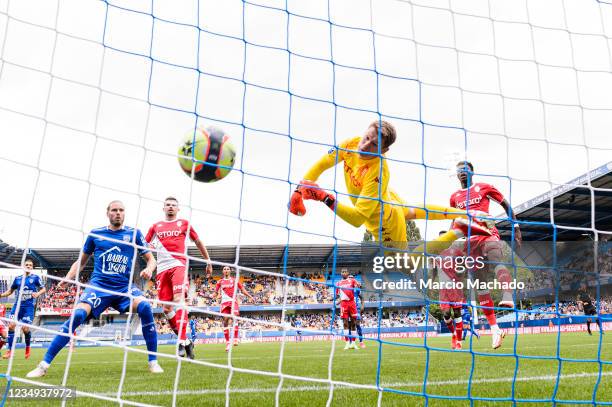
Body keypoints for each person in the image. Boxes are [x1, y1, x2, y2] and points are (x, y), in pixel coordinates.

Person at [289, 120, 491, 250]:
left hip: (383, 218)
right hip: (389, 198)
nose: (365, 145)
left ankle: (458, 231)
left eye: (374, 145)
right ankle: (464, 215)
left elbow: (358, 219)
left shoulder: (378, 171)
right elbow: (321, 164)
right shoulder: (351, 143)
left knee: (405, 263)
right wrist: (299, 190)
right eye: (366, 138)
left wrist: (325, 197)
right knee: (416, 210)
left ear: (383, 150)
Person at [27, 200, 162, 377]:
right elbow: (81, 262)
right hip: (98, 287)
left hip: (123, 288)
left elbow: (151, 259)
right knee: (78, 315)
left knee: (145, 307)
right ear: (108, 213)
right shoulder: (96, 234)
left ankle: (153, 362)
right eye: (114, 210)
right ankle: (43, 365)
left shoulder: (134, 233)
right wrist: (68, 278)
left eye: (121, 210)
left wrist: (149, 268)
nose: (118, 213)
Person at [450, 161, 522, 349]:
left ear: (472, 172)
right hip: (469, 242)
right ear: (457, 175)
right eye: (460, 171)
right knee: (480, 284)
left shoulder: (484, 187)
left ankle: (507, 295)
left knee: (496, 258)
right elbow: (454, 221)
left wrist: (516, 226)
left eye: (466, 170)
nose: (463, 173)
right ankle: (495, 329)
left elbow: (506, 204)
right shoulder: (454, 198)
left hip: (488, 232)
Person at [145, 196, 213, 359]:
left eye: (173, 205)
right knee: (167, 309)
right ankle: (187, 341)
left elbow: (198, 242)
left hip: (179, 265)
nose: (170, 207)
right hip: (161, 270)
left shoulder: (184, 224)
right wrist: (149, 249)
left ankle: (181, 342)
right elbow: (143, 245)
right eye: (167, 205)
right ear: (163, 208)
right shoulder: (155, 226)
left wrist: (208, 260)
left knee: (178, 300)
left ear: (178, 208)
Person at [0, 257, 45, 359]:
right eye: (27, 265)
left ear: (32, 268)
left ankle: (28, 347)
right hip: (17, 307)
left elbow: (44, 289)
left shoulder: (35, 278)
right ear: (23, 267)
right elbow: (10, 291)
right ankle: (9, 351)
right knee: (11, 326)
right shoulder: (17, 279)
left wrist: (38, 293)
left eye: (30, 265)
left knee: (25, 329)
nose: (28, 266)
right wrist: (1, 295)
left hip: (28, 308)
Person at [433, 243, 465, 350]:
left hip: (455, 288)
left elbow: (463, 266)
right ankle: (454, 333)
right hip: (443, 289)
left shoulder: (455, 254)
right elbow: (433, 271)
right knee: (446, 314)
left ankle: (459, 342)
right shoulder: (436, 257)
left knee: (457, 314)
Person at [215, 266, 255, 352]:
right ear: (223, 271)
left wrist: (250, 296)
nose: (226, 270)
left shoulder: (234, 280)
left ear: (230, 271)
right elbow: (215, 293)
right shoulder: (219, 282)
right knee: (225, 321)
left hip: (233, 302)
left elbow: (243, 290)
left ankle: (236, 338)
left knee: (234, 317)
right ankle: (228, 342)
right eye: (224, 269)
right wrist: (213, 296)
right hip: (224, 303)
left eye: (228, 269)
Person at [336, 268, 360, 350]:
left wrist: (358, 285)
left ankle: (353, 343)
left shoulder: (352, 280)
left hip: (352, 303)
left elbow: (358, 285)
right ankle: (347, 343)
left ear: (348, 273)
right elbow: (339, 296)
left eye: (345, 272)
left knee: (353, 323)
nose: (343, 273)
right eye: (342, 272)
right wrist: (337, 302)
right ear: (341, 273)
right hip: (343, 304)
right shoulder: (338, 283)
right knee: (345, 323)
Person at [352, 275, 366, 348]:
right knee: (350, 326)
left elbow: (362, 298)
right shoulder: (345, 289)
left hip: (356, 309)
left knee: (357, 325)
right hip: (348, 309)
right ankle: (351, 342)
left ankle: (361, 342)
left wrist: (362, 306)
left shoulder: (357, 290)